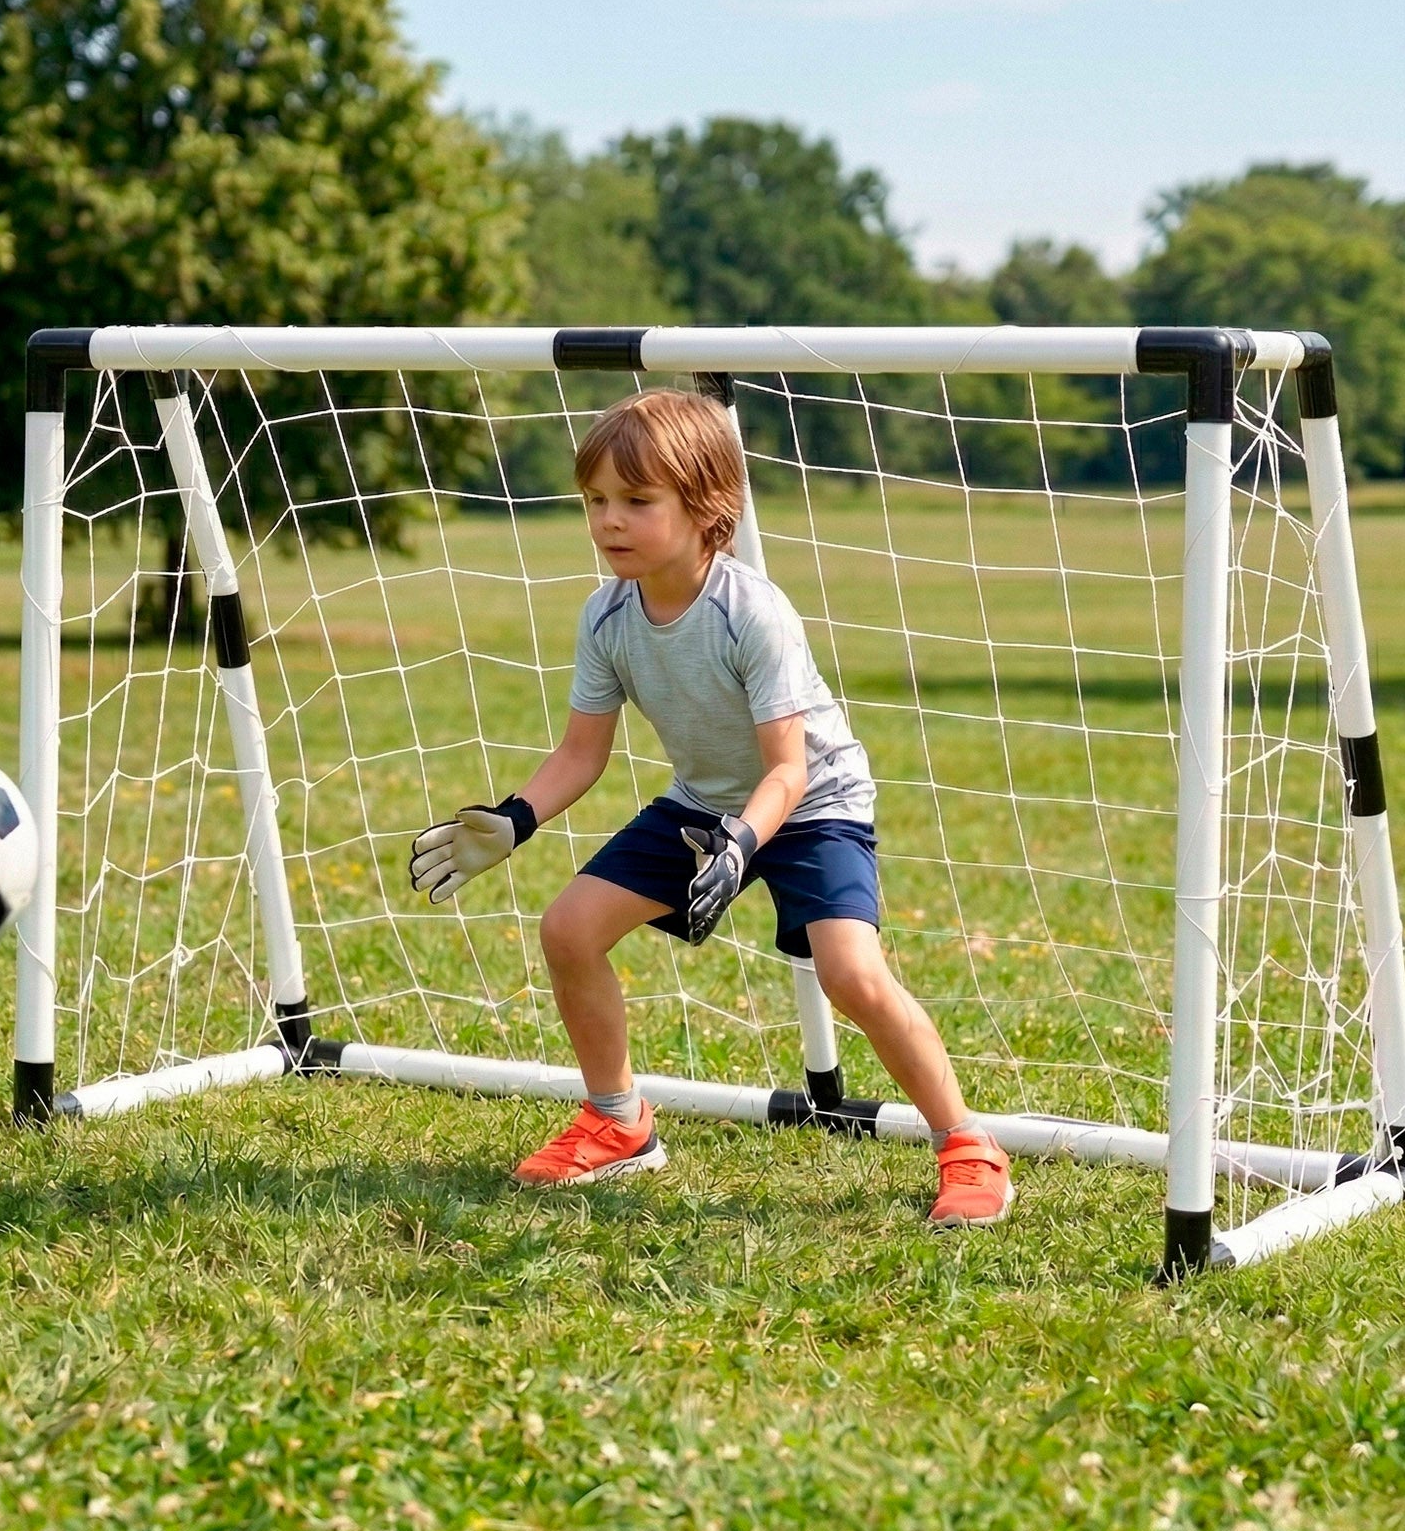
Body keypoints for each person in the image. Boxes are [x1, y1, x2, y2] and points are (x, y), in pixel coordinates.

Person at [408, 389, 1012, 1227]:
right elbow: (583, 754)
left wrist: (742, 843)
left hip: (809, 806)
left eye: (637, 501)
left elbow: (789, 772)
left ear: (707, 510)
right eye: (596, 502)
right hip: (705, 805)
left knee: (851, 974)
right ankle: (618, 1125)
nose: (608, 521)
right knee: (568, 929)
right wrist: (514, 818)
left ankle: (967, 1147)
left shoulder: (751, 612)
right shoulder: (607, 615)